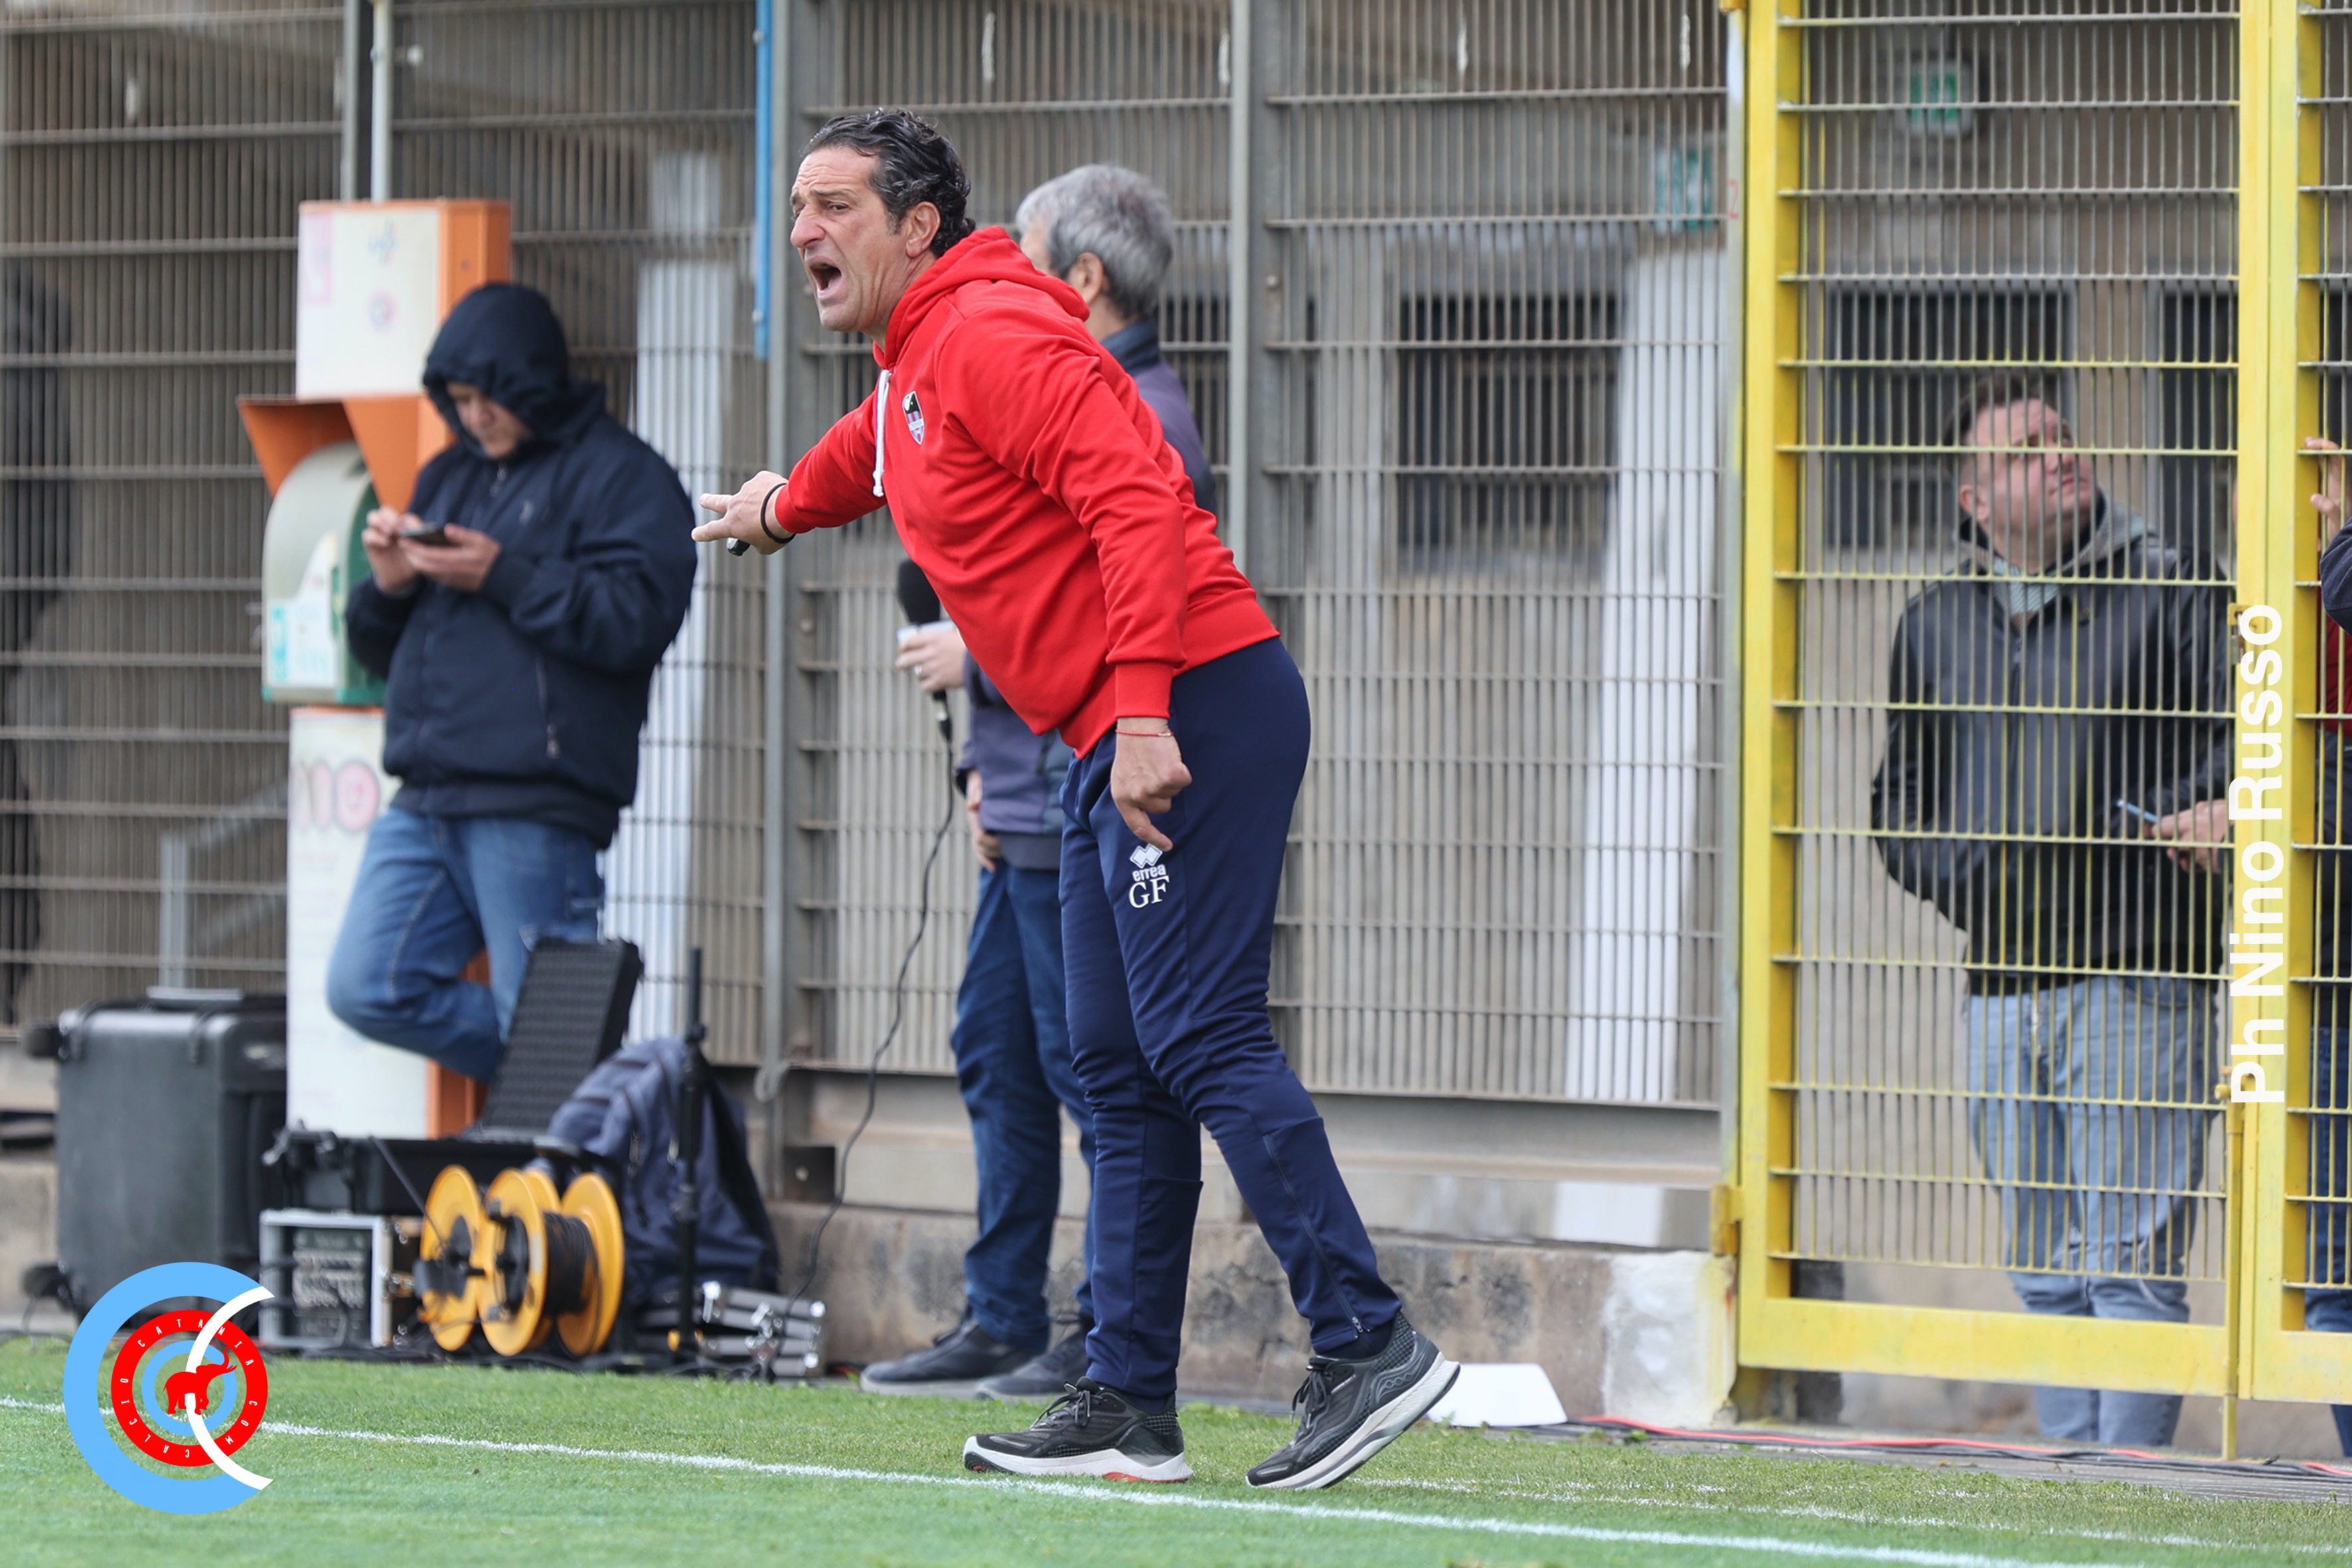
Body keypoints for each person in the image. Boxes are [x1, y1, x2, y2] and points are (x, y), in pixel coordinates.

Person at [699, 110, 1455, 1490]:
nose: (803, 229)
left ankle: (1368, 1342)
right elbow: (865, 452)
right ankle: (1124, 1401)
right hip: (1117, 728)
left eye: (833, 205)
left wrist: (1147, 709)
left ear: (917, 225)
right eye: (798, 205)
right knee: (1114, 1060)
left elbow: (1138, 505)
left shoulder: (989, 331)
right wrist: (775, 508)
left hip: (1192, 708)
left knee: (1199, 1033)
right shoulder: (918, 358)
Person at [867, 165, 1214, 1402]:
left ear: (1082, 277)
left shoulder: (1136, 412)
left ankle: (1097, 1328)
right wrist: (976, 759)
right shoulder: (1024, 378)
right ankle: (1004, 1311)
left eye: (1018, 251)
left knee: (1093, 1069)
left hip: (1082, 787)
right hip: (1016, 792)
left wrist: (974, 659)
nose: (994, 275)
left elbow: (1115, 603)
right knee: (997, 1050)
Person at [1869, 372, 2230, 1448]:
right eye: (2025, 448)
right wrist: (1968, 874)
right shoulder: (1935, 620)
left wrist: (2149, 825)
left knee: (2127, 1270)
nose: (2059, 453)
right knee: (2042, 1270)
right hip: (2000, 983)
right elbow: (1897, 800)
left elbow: (2238, 736)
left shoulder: (2171, 583)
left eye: (2060, 434)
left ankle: (2127, 1497)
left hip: (2138, 968)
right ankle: (2071, 1490)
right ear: (1976, 499)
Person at [325, 283, 697, 1082]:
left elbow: (638, 619)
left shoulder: (624, 476)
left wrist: (504, 575)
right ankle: (609, 1078)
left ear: (532, 383)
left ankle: (587, 1083)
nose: (476, 416)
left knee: (543, 1029)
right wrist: (388, 584)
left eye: (490, 397)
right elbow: (377, 649)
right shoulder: (447, 475)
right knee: (365, 985)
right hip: (426, 795)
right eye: (460, 401)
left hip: (537, 801)